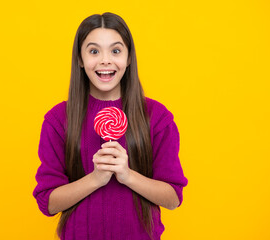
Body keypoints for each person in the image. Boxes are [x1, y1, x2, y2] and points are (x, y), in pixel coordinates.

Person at [33, 12, 188, 240]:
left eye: (115, 50)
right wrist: (96, 178)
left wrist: (126, 175)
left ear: (128, 58)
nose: (105, 60)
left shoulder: (156, 116)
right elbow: (48, 203)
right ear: (80, 59)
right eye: (94, 51)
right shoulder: (58, 119)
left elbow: (173, 198)